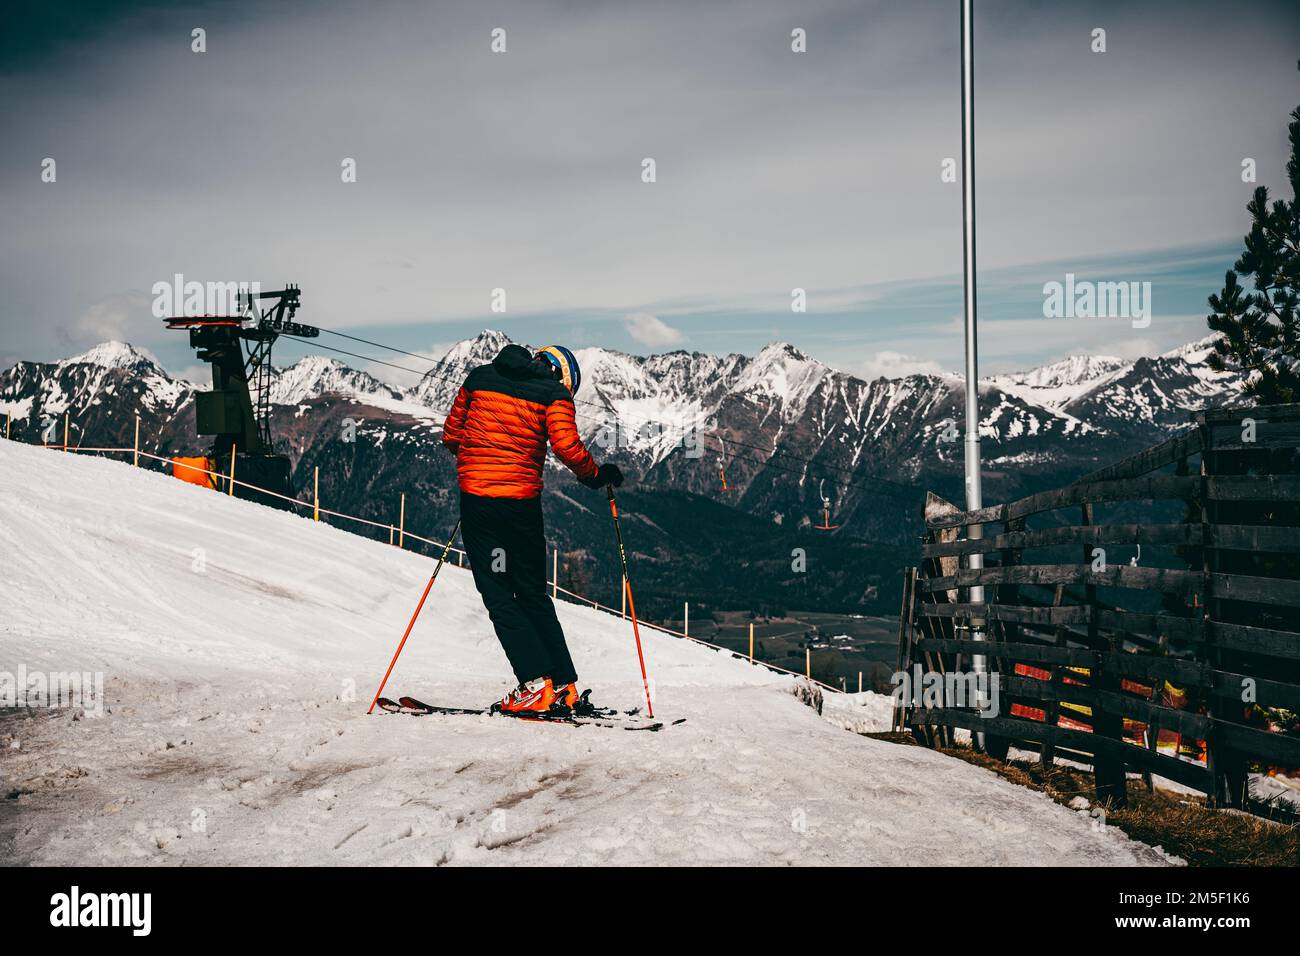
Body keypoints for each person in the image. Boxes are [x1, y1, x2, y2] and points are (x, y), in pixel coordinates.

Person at [441, 343, 624, 715]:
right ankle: (562, 685)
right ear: (563, 377)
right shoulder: (553, 394)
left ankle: (534, 685)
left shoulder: (478, 378)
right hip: (522, 509)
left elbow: (451, 435)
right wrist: (596, 476)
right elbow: (567, 448)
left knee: (497, 594)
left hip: (480, 505)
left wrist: (479, 459)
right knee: (531, 594)